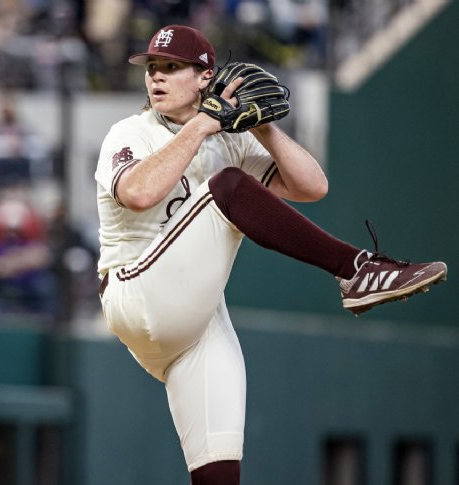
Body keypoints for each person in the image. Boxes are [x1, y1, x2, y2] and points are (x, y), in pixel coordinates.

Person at [94, 24, 447, 484]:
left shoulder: (230, 141)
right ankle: (356, 270)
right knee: (228, 187)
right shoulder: (130, 132)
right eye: (153, 68)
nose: (156, 76)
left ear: (206, 77)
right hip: (136, 292)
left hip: (196, 321)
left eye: (172, 67)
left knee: (218, 470)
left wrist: (263, 128)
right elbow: (139, 192)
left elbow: (312, 186)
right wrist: (204, 123)